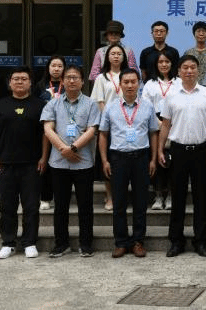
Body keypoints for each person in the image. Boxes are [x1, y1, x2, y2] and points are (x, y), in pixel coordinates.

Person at [158, 55, 206, 258]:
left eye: (193, 67)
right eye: (185, 67)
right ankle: (176, 241)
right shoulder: (171, 95)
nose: (189, 71)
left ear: (198, 71)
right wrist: (160, 150)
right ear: (178, 71)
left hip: (201, 151)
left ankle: (200, 240)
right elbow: (165, 124)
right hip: (178, 151)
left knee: (201, 198)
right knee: (178, 198)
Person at [0, 66, 48, 259]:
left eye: (24, 78)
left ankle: (30, 242)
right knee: (7, 206)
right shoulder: (0, 105)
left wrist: (44, 157)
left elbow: (45, 134)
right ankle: (8, 243)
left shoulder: (39, 105)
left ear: (30, 83)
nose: (19, 81)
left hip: (32, 164)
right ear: (10, 83)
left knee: (31, 206)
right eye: (16, 78)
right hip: (6, 164)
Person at [41, 65, 100, 258]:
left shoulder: (91, 104)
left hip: (84, 162)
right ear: (63, 81)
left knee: (85, 206)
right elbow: (48, 129)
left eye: (76, 77)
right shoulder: (53, 104)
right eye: (68, 77)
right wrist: (63, 150)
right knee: (60, 206)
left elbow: (92, 130)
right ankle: (61, 244)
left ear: (83, 81)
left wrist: (73, 148)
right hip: (58, 163)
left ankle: (86, 244)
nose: (72, 80)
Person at [98, 68, 158, 258]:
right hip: (118, 158)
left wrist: (153, 159)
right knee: (119, 203)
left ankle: (138, 241)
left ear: (139, 84)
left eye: (133, 82)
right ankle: (121, 242)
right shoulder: (110, 107)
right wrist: (105, 160)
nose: (130, 85)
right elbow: (103, 134)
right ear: (120, 84)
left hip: (141, 157)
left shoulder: (148, 107)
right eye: (126, 82)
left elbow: (153, 134)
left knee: (140, 202)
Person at [91, 43, 129, 211]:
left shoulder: (128, 75)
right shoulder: (102, 77)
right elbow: (99, 101)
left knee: (124, 162)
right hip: (108, 125)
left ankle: (122, 195)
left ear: (123, 57)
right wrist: (110, 118)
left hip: (127, 123)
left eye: (119, 54)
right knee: (108, 162)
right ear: (107, 57)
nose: (116, 56)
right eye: (112, 53)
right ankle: (109, 196)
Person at [141, 49, 179, 210]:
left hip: (175, 124)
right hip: (155, 124)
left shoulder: (179, 82)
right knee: (156, 159)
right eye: (160, 62)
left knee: (172, 162)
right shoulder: (150, 84)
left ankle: (170, 196)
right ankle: (157, 196)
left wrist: (170, 124)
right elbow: (145, 105)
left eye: (167, 62)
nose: (164, 65)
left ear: (172, 64)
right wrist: (158, 123)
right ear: (156, 65)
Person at [33, 54, 66, 211]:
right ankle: (45, 197)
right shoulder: (40, 85)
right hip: (43, 130)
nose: (56, 69)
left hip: (64, 130)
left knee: (61, 165)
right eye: (53, 65)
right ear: (48, 68)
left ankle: (61, 196)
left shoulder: (68, 84)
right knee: (44, 162)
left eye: (60, 66)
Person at [184, 21, 206, 85]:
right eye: (198, 31)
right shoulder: (188, 53)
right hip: (191, 86)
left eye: (204, 31)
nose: (201, 34)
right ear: (194, 34)